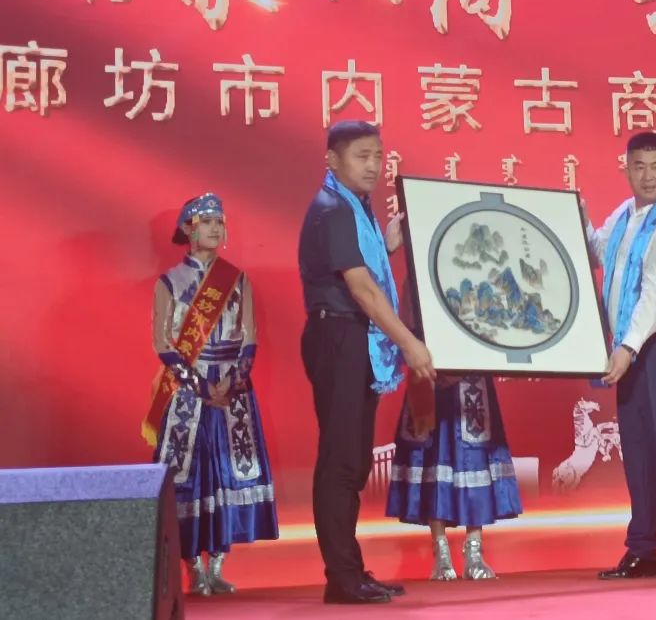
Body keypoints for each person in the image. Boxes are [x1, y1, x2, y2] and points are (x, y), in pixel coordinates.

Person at [298, 120, 437, 605]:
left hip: (354, 339)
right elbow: (362, 289)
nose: (374, 165)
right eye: (362, 156)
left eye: (378, 156)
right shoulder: (333, 208)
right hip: (339, 337)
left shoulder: (356, 207)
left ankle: (350, 570)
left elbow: (367, 266)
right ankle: (341, 577)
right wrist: (409, 344)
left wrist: (393, 240)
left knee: (355, 460)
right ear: (332, 160)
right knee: (341, 460)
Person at [143, 192, 278, 597]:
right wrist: (202, 387)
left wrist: (232, 382)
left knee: (227, 471)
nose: (216, 228)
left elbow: (249, 337)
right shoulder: (169, 282)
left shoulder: (237, 279)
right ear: (188, 229)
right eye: (208, 221)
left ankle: (217, 564)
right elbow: (163, 343)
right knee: (189, 475)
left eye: (220, 221)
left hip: (232, 387)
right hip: (189, 388)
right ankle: (192, 567)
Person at [584, 132, 656, 580]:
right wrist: (574, 217)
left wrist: (627, 348)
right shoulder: (623, 215)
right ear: (627, 168)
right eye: (639, 166)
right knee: (637, 451)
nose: (648, 176)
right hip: (632, 347)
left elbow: (655, 296)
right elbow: (599, 251)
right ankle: (641, 550)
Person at [386, 369, 521, 580]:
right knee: (433, 459)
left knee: (475, 458)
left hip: (472, 375)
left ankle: (474, 553)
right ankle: (441, 554)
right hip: (430, 374)